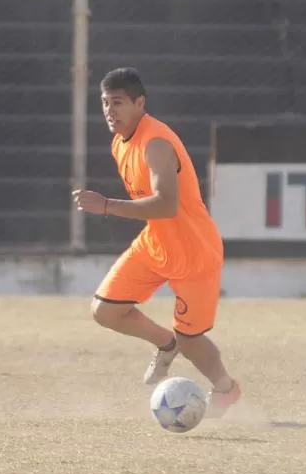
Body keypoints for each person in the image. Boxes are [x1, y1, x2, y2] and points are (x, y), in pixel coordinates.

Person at [72, 67, 241, 418]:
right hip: (155, 243)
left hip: (194, 252)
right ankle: (166, 343)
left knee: (193, 339)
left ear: (140, 103)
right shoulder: (119, 142)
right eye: (104, 103)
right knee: (105, 311)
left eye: (117, 103)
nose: (109, 111)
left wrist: (105, 206)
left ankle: (225, 389)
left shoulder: (157, 143)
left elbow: (166, 204)